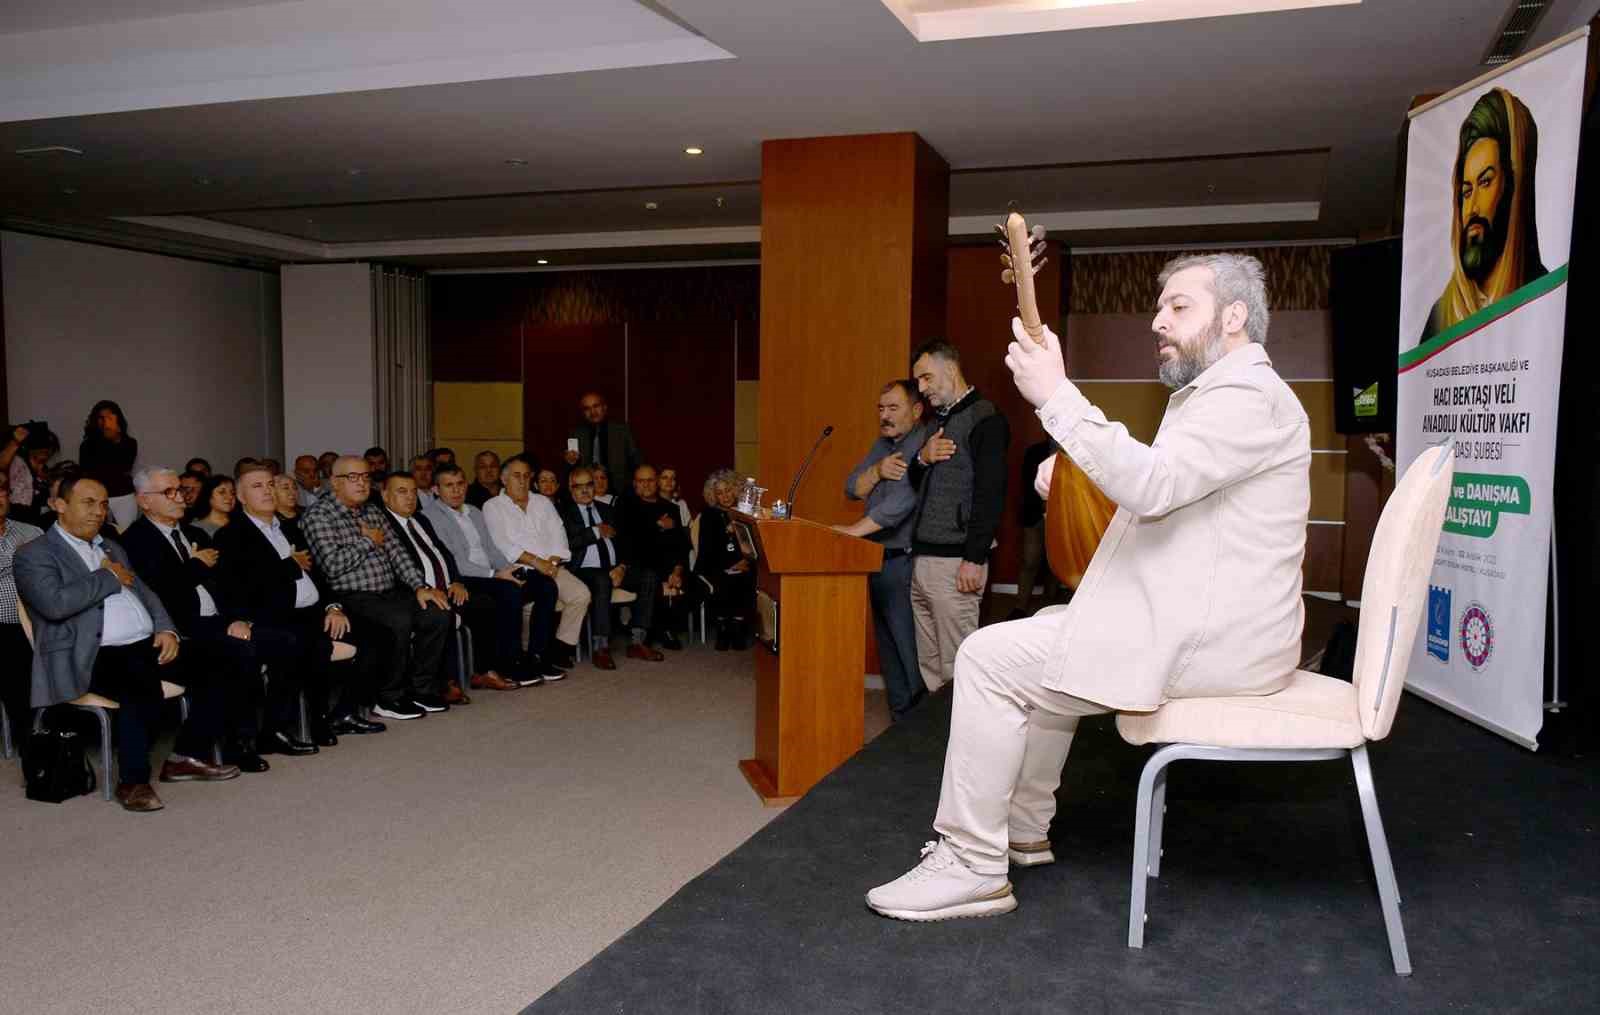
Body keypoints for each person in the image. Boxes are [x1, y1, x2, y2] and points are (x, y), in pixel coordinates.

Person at [866, 253, 1311, 921]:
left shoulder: (1249, 396)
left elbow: (1154, 487)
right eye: (1160, 307)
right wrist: (1071, 478)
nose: (1159, 320)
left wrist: (1055, 395)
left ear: (1235, 315)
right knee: (1046, 640)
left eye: (1179, 307)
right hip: (1208, 624)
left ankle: (971, 862)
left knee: (987, 660)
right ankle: (1023, 826)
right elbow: (1170, 502)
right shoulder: (1224, 395)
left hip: (1217, 643)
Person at [15, 471, 240, 812]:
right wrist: (106, 576)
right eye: (87, 503)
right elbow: (55, 604)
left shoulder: (111, 545)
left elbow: (146, 593)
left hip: (144, 644)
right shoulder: (35, 553)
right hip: (90, 653)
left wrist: (166, 630)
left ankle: (184, 755)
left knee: (225, 656)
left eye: (103, 504)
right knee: (137, 678)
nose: (98, 511)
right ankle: (133, 782)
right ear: (58, 505)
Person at [214, 464, 383, 744]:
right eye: (257, 486)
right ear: (241, 497)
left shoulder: (290, 528)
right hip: (274, 617)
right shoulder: (232, 536)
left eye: (270, 484)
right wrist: (290, 566)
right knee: (311, 645)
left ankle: (342, 712)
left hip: (314, 611)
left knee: (376, 636)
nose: (267, 491)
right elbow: (242, 589)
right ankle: (282, 728)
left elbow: (319, 574)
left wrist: (333, 607)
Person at [120, 468, 272, 770]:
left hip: (215, 619)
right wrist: (193, 566)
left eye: (181, 490)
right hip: (179, 628)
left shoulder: (195, 533)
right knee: (238, 654)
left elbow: (225, 585)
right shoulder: (134, 541)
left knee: (264, 638)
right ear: (144, 501)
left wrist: (235, 618)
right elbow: (157, 594)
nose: (181, 497)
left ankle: (252, 736)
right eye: (170, 492)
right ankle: (231, 745)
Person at [301, 456, 452, 721]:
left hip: (389, 592)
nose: (362, 483)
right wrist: (367, 541)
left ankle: (421, 688)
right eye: (353, 477)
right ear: (335, 483)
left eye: (365, 477)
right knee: (399, 620)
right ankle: (388, 696)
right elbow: (332, 566)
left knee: (436, 611)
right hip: (351, 596)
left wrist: (420, 586)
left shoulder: (372, 511)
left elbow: (397, 552)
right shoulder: (319, 515)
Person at [904, 338, 1010, 694]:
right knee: (931, 665)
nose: (922, 389)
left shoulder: (985, 418)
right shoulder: (940, 422)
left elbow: (990, 494)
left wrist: (974, 557)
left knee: (957, 668)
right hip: (924, 559)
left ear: (950, 369)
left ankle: (962, 744)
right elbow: (916, 482)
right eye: (918, 381)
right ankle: (940, 740)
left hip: (956, 564)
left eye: (926, 378)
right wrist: (922, 458)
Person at [1418, 87, 1549, 345]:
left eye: (1486, 182)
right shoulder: (1442, 317)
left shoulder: (1544, 301)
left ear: (1513, 188)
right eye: (1466, 192)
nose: (1473, 208)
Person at [838, 379, 929, 721]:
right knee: (888, 648)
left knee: (909, 649)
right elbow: (852, 487)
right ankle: (900, 720)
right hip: (876, 559)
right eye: (881, 408)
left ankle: (918, 728)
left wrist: (850, 533)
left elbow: (896, 507)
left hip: (903, 561)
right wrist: (876, 470)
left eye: (894, 408)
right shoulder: (884, 444)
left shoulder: (920, 444)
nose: (885, 416)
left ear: (916, 410)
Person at [426, 463, 563, 686]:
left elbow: (491, 549)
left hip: (493, 573)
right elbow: (452, 561)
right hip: (464, 578)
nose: (456, 490)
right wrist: (495, 574)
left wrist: (509, 570)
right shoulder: (431, 516)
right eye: (448, 486)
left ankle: (538, 655)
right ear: (435, 490)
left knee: (544, 584)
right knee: (508, 591)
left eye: (460, 484)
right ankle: (512, 662)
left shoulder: (474, 511)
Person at [482, 455, 589, 671]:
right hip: (520, 570)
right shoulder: (492, 506)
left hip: (551, 566)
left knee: (581, 594)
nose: (522, 481)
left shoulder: (542, 502)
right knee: (539, 596)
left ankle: (560, 648)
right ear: (504, 480)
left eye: (526, 476)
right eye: (516, 476)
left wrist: (553, 561)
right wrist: (537, 562)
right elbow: (501, 544)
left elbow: (559, 533)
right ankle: (531, 653)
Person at [562, 466, 661, 668]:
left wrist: (622, 567)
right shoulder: (564, 512)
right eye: (578, 486)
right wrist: (596, 532)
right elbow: (568, 543)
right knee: (601, 579)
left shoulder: (608, 510)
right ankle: (601, 647)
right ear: (570, 489)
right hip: (583, 570)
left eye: (589, 484)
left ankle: (637, 641)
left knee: (648, 576)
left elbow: (626, 542)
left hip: (614, 568)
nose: (585, 490)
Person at [616, 464, 693, 651]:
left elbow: (682, 546)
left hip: (667, 566)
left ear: (657, 482)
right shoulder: (626, 506)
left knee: (691, 579)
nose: (646, 485)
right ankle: (652, 632)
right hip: (636, 566)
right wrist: (658, 524)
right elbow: (632, 541)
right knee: (650, 575)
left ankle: (665, 628)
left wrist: (677, 570)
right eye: (641, 481)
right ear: (635, 484)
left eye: (650, 480)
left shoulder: (670, 508)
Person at [0, 482, 44, 752]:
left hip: (43, 619)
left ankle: (63, 727)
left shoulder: (31, 530)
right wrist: (20, 558)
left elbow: (50, 568)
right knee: (14, 653)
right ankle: (32, 735)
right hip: (5, 628)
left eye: (2, 491)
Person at [693, 468, 755, 651]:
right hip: (714, 563)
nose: (725, 496)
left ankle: (737, 627)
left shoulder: (744, 513)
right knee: (726, 577)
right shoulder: (708, 516)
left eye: (728, 490)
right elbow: (706, 550)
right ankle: (723, 628)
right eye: (719, 493)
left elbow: (753, 545)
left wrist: (745, 562)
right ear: (713, 495)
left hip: (743, 563)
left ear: (736, 490)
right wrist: (729, 564)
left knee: (745, 576)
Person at [1010, 438, 1063, 620]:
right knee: (1029, 560)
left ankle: (1050, 609)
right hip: (1034, 516)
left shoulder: (1075, 451)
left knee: (1056, 564)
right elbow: (1026, 485)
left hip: (1063, 517)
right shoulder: (1034, 451)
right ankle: (1020, 608)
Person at [78, 400, 139, 531]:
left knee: (126, 534)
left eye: (110, 417)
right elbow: (87, 472)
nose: (105, 421)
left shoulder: (129, 443)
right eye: (101, 417)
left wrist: (115, 439)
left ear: (118, 419)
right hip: (96, 496)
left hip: (123, 496)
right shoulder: (87, 445)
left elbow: (123, 467)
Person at [565, 392, 641, 484]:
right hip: (587, 488)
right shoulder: (576, 434)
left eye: (596, 406)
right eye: (587, 409)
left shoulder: (622, 431)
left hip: (618, 488)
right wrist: (570, 462)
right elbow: (570, 470)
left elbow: (636, 461)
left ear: (604, 407)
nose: (592, 412)